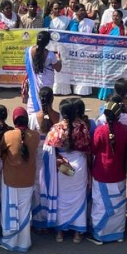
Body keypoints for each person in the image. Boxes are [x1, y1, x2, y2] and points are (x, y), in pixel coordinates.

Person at [44, 97, 90, 243]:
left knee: (62, 198)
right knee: (79, 198)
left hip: (62, 166)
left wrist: (58, 158)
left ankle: (60, 233)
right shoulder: (82, 126)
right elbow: (87, 148)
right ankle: (77, 233)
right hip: (80, 165)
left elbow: (48, 147)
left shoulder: (57, 128)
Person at [0, 107, 39, 252]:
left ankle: (10, 241)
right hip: (28, 181)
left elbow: (0, 152)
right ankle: (24, 242)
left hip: (11, 180)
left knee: (10, 211)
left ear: (14, 120)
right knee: (25, 211)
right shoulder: (35, 135)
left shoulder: (8, 135)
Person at [89, 100, 127, 244]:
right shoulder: (124, 129)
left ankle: (99, 234)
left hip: (102, 173)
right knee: (119, 205)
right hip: (119, 173)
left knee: (100, 205)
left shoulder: (100, 131)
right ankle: (118, 233)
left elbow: (93, 149)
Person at [24, 31, 62, 116]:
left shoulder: (29, 51)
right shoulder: (50, 55)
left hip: (34, 82)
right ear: (47, 42)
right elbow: (58, 68)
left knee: (33, 98)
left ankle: (32, 118)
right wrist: (59, 59)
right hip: (47, 82)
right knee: (46, 99)